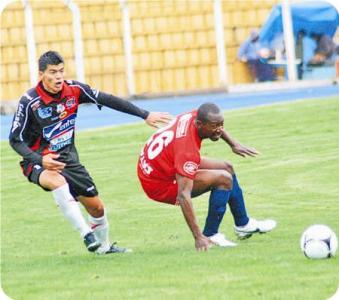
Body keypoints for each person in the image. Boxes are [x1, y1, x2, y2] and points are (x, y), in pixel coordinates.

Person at [9, 50, 171, 254]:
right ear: (41, 74)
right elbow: (15, 140)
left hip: (68, 159)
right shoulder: (29, 102)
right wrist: (41, 159)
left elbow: (108, 99)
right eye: (53, 72)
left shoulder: (74, 90)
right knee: (57, 181)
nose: (59, 76)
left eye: (61, 71)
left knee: (97, 208)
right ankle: (86, 234)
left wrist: (144, 114)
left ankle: (104, 248)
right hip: (37, 160)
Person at [137, 102, 276, 251]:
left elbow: (215, 124)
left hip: (163, 164)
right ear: (199, 124)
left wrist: (233, 144)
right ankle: (210, 234)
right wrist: (198, 237)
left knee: (227, 167)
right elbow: (183, 195)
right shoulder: (187, 150)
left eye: (221, 125)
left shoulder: (197, 116)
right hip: (158, 184)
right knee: (223, 179)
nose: (219, 130)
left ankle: (243, 224)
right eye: (214, 126)